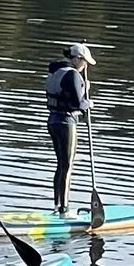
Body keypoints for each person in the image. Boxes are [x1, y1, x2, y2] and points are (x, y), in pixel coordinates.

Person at [44, 43, 96, 213]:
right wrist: (89, 101)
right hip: (66, 122)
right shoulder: (73, 75)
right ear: (77, 59)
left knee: (61, 165)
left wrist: (83, 88)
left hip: (52, 120)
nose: (85, 66)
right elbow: (77, 103)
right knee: (67, 165)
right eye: (84, 62)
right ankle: (64, 207)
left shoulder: (55, 71)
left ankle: (57, 204)